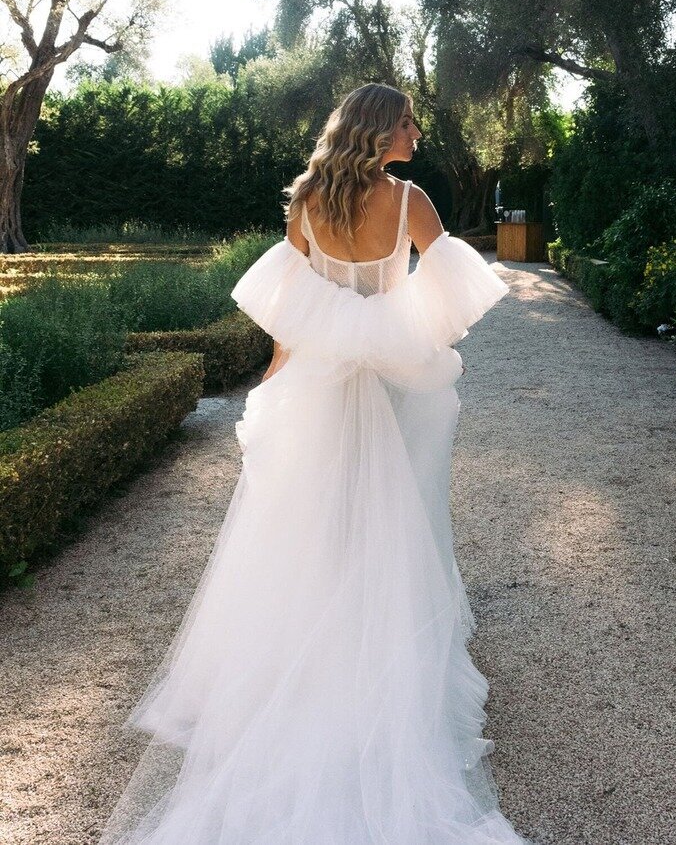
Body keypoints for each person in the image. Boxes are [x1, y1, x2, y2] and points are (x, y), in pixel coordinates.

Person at [98, 83, 531, 845]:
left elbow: (292, 318)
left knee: (319, 525)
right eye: (406, 121)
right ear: (378, 130)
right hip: (394, 387)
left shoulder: (307, 202)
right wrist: (405, 340)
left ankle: (319, 658)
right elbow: (443, 302)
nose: (416, 131)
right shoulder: (410, 202)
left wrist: (273, 379)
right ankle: (386, 653)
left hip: (321, 390)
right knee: (398, 516)